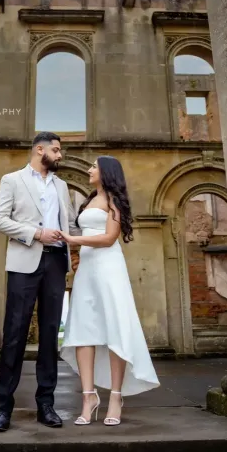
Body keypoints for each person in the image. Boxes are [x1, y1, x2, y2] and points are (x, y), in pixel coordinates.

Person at [0, 132, 81, 432]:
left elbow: (68, 222)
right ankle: (3, 408)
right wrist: (35, 233)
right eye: (55, 150)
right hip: (24, 261)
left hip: (55, 262)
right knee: (14, 332)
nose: (60, 155)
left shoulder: (62, 185)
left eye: (60, 150)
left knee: (50, 333)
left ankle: (46, 404)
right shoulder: (12, 180)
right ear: (38, 150)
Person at [59, 155, 160, 426]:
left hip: (109, 267)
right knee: (82, 331)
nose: (90, 170)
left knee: (115, 327)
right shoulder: (88, 200)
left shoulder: (115, 200)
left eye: (94, 166)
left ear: (107, 172)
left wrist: (72, 239)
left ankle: (116, 397)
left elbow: (108, 238)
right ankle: (88, 396)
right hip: (87, 271)